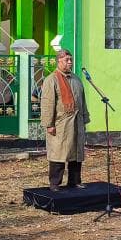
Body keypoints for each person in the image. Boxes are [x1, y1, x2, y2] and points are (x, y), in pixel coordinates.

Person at [39, 49, 90, 191]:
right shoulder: (51, 79)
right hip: (60, 123)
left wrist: (84, 118)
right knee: (58, 153)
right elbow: (48, 104)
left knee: (76, 153)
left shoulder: (76, 79)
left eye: (71, 60)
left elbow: (82, 100)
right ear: (59, 61)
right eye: (67, 60)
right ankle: (55, 183)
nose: (70, 62)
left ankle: (74, 181)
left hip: (77, 122)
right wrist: (49, 124)